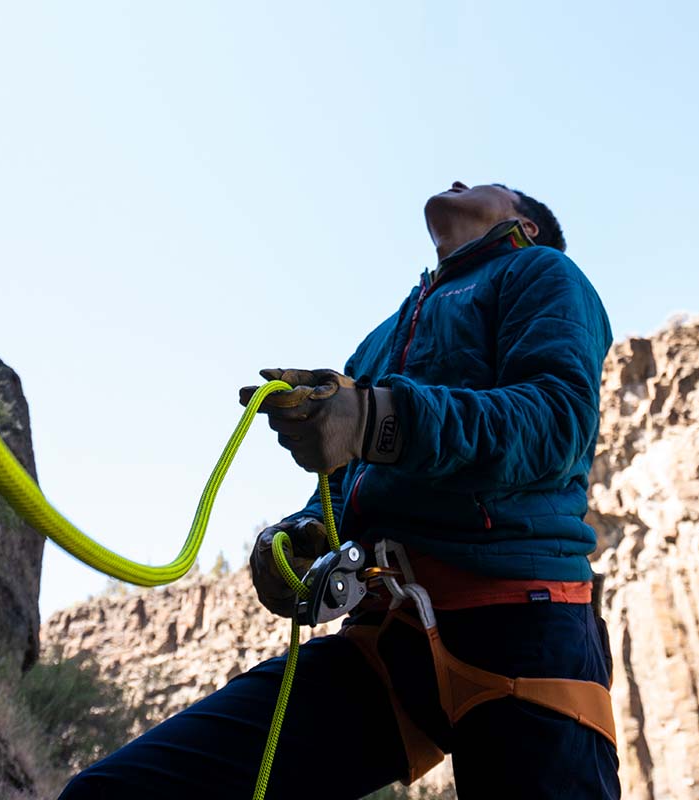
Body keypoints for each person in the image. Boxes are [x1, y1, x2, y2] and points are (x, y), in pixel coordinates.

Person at [58, 182, 619, 799]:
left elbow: (556, 421)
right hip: (388, 643)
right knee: (111, 793)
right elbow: (348, 480)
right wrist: (306, 533)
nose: (457, 183)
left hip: (528, 628)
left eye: (488, 183)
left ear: (526, 225)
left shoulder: (542, 272)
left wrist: (377, 416)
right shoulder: (384, 336)